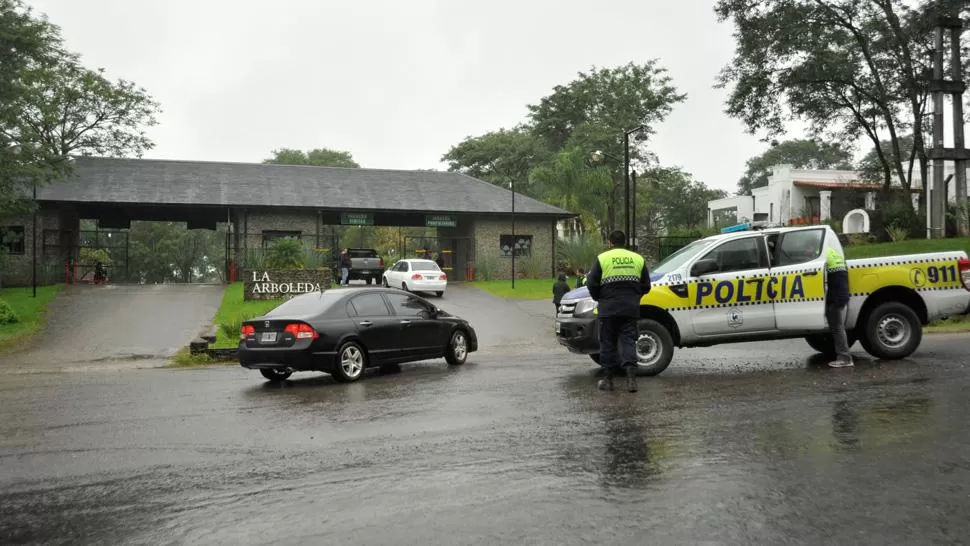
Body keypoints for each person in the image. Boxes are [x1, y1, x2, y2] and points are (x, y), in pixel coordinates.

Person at [586, 230, 651, 392]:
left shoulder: (602, 259)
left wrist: (599, 298)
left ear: (610, 242)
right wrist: (635, 297)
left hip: (608, 309)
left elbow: (591, 283)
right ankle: (631, 381)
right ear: (625, 242)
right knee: (628, 341)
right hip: (630, 309)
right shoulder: (638, 259)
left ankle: (608, 380)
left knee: (607, 343)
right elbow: (646, 286)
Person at [825, 245, 852, 368]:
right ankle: (844, 356)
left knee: (837, 327)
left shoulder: (822, 254)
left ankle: (845, 358)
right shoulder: (831, 252)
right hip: (841, 294)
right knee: (837, 327)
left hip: (835, 297)